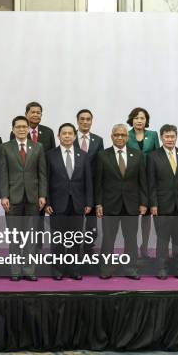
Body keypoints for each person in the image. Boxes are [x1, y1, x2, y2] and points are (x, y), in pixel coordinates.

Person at [95, 124, 148, 280]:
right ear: (112, 137)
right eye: (116, 135)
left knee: (131, 238)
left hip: (131, 205)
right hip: (109, 205)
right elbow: (98, 182)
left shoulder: (137, 155)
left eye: (123, 135)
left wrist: (144, 202)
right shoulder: (102, 155)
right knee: (108, 238)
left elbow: (142, 181)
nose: (119, 137)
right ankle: (106, 268)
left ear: (127, 137)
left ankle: (130, 268)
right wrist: (98, 204)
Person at [0, 116, 47, 281]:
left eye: (24, 127)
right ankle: (15, 271)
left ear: (28, 129)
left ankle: (29, 270)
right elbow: (3, 173)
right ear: (13, 129)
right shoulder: (5, 148)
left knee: (30, 236)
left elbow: (42, 173)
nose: (21, 129)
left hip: (33, 198)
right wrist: (4, 195)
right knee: (15, 237)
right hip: (13, 198)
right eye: (18, 127)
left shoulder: (38, 147)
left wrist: (42, 195)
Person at [148, 124, 178, 280]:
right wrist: (153, 204)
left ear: (176, 137)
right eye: (167, 136)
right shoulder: (153, 156)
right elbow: (152, 183)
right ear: (162, 137)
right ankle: (161, 269)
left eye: (172, 136)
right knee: (162, 239)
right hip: (162, 206)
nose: (170, 139)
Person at [45, 123, 93, 280]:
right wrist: (47, 202)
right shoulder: (50, 155)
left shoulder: (83, 155)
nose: (67, 136)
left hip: (78, 204)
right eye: (63, 133)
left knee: (75, 239)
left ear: (74, 136)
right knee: (58, 239)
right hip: (57, 204)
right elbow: (46, 180)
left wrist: (88, 202)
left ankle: (73, 270)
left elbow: (88, 181)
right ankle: (58, 270)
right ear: (58, 136)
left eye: (70, 133)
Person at [126, 107, 160, 259]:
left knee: (147, 217)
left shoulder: (153, 135)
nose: (139, 120)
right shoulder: (125, 135)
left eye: (142, 118)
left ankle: (144, 246)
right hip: (132, 181)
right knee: (131, 217)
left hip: (149, 180)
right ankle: (130, 248)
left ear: (146, 121)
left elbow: (158, 155)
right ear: (131, 119)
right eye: (136, 118)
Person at [74, 109, 104, 254]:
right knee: (74, 219)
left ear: (91, 121)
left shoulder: (98, 140)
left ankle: (88, 248)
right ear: (77, 121)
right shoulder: (68, 136)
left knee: (91, 220)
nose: (85, 122)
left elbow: (100, 165)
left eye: (88, 119)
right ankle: (73, 248)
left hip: (91, 186)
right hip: (73, 186)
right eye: (82, 119)